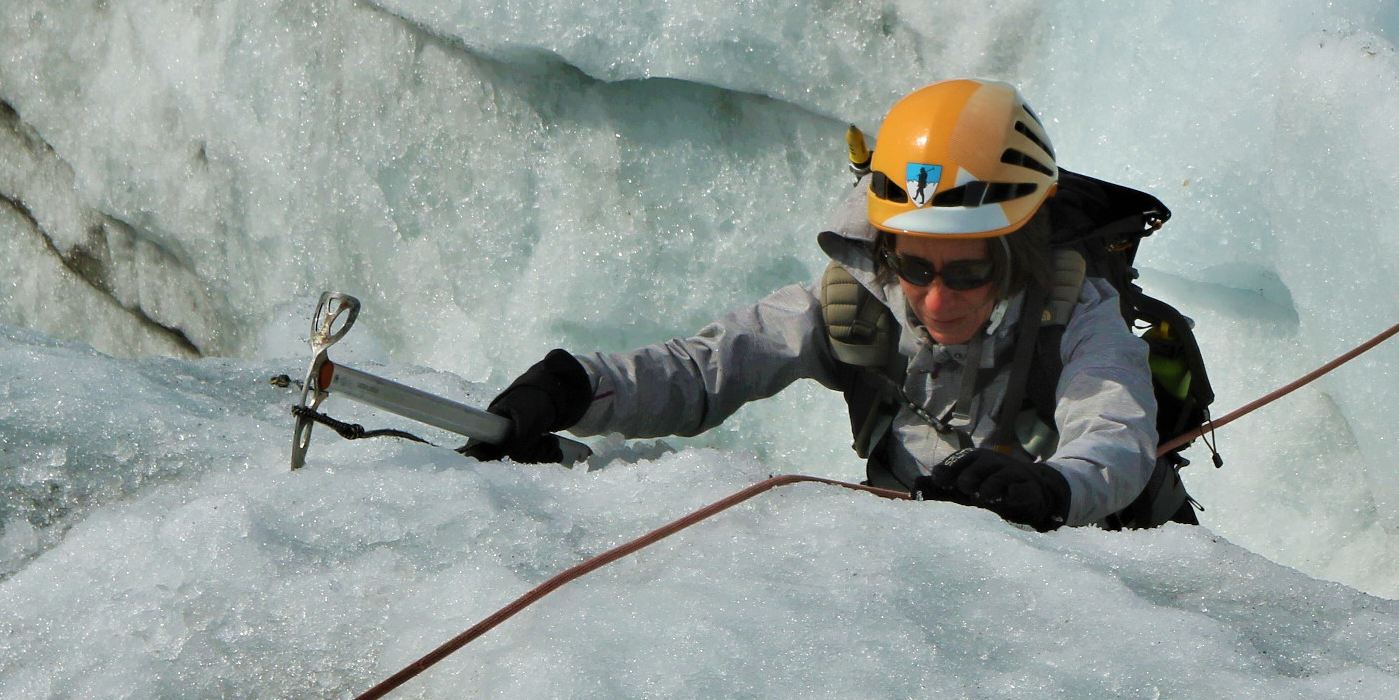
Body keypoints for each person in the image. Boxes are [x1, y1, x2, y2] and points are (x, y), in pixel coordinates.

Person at [467, 79, 1169, 531]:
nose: (932, 297)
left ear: (1018, 251)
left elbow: (1117, 437)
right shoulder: (851, 303)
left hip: (1083, 582)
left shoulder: (1079, 315)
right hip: (917, 570)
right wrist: (577, 389)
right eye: (913, 264)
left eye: (969, 272)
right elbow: (709, 367)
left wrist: (1051, 491)